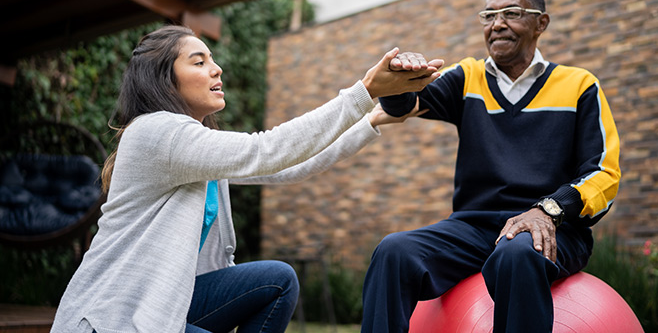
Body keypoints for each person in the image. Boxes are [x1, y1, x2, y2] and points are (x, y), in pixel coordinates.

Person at [49, 25, 443, 333]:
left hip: (164, 307)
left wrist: (371, 119)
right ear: (164, 79)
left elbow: (287, 165)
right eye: (198, 61)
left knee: (277, 280)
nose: (216, 68)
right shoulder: (156, 132)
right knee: (278, 278)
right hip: (114, 316)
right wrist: (364, 91)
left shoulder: (197, 149)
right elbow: (265, 149)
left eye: (212, 60)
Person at [361, 0, 621, 333]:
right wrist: (398, 82)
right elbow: (409, 102)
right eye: (488, 15)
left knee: (517, 253)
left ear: (540, 23)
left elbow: (604, 174)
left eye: (511, 13)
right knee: (394, 252)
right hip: (474, 227)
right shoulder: (468, 77)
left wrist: (548, 209)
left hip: (551, 229)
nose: (497, 24)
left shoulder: (579, 85)